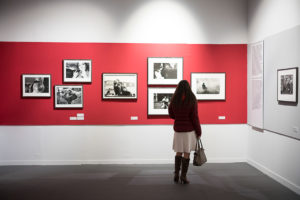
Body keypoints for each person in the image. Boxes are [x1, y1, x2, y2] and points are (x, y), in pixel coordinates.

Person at [168, 80, 201, 184]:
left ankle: (176, 174)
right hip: (188, 131)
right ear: (188, 87)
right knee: (186, 152)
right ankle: (183, 176)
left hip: (178, 130)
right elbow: (194, 117)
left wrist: (178, 117)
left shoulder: (174, 99)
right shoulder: (192, 99)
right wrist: (199, 131)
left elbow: (171, 114)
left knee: (178, 151)